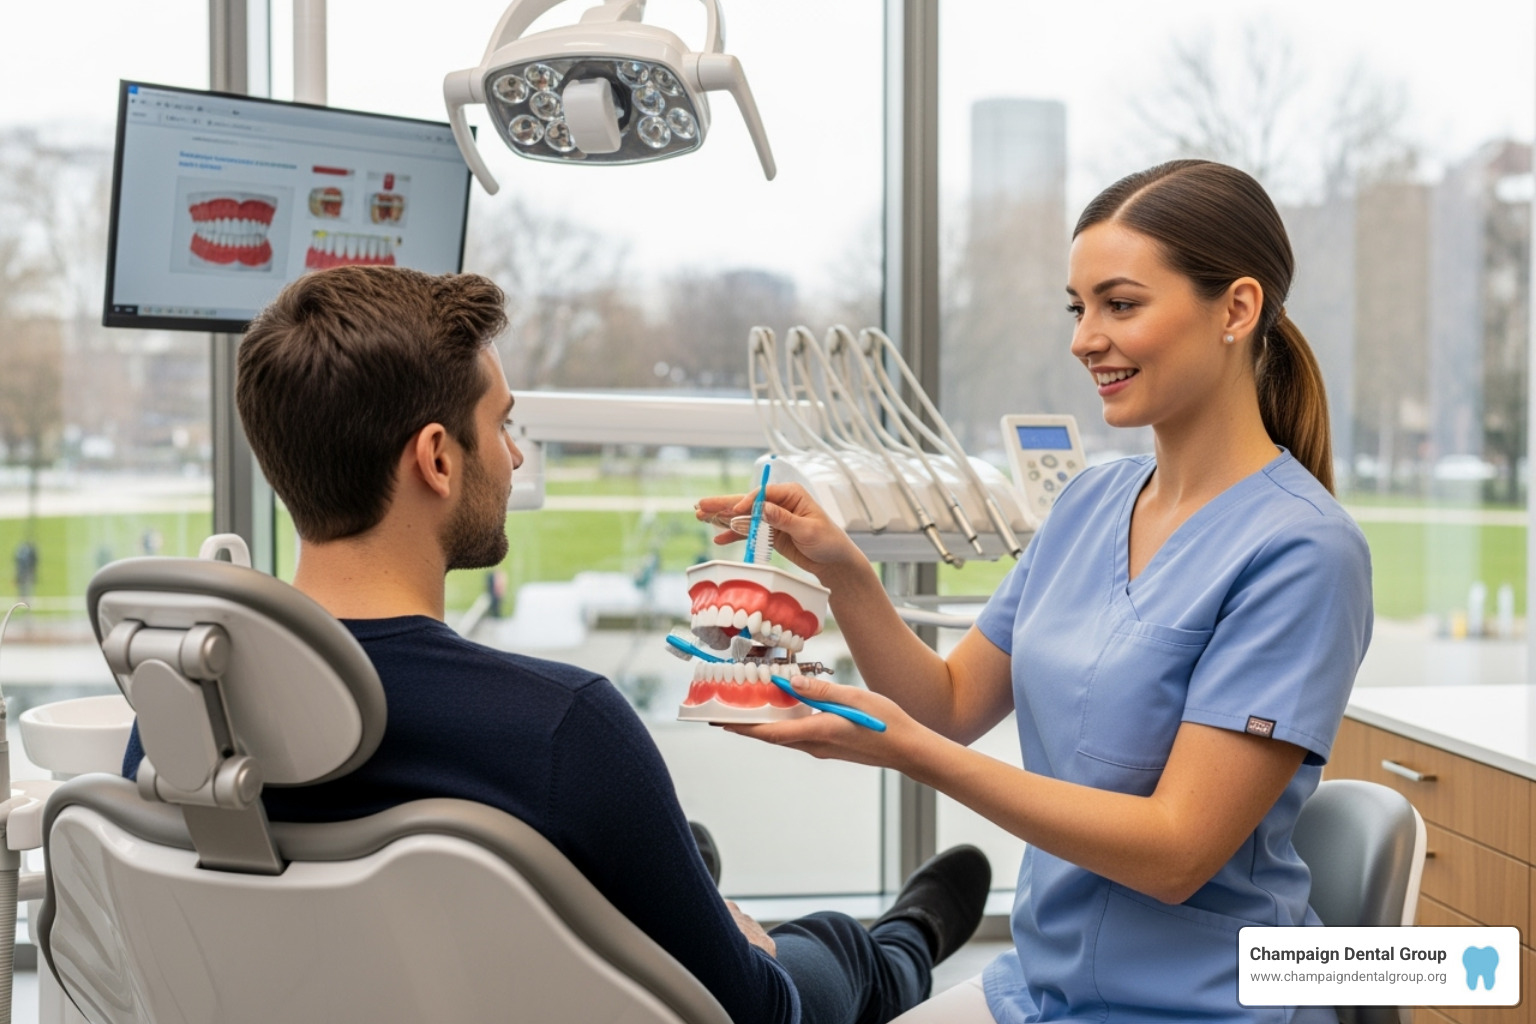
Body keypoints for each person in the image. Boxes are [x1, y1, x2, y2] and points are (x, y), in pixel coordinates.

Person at [119, 265, 991, 1024]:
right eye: (502, 425)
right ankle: (905, 944)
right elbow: (752, 1013)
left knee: (663, 849)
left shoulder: (185, 720)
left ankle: (697, 880)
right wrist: (749, 947)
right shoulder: (561, 729)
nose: (516, 459)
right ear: (437, 458)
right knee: (824, 948)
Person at [696, 160, 1373, 1024]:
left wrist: (911, 752)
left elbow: (1176, 851)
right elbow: (946, 703)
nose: (1084, 338)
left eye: (1120, 304)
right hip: (1043, 986)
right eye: (1077, 307)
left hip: (1199, 1004)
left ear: (1236, 310)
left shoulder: (1303, 552)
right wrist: (845, 572)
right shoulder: (1091, 503)